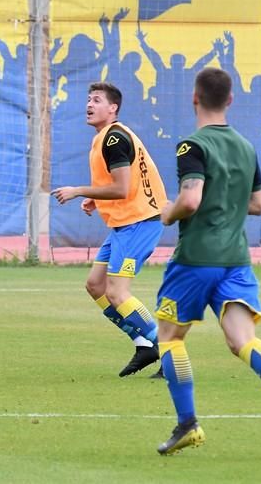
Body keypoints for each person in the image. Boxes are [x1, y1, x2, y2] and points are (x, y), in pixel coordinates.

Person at [154, 67, 261, 458]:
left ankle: (188, 423)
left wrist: (168, 214)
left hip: (195, 259)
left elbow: (190, 199)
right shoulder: (245, 146)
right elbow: (258, 204)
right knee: (243, 340)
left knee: (169, 338)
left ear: (194, 97)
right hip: (236, 260)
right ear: (230, 100)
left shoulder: (192, 147)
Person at [51, 82, 167, 378]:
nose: (89, 105)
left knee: (117, 292)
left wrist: (78, 190)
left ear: (112, 108)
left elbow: (121, 187)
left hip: (139, 223)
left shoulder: (114, 138)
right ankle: (144, 343)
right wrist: (95, 196)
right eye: (88, 99)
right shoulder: (108, 137)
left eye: (97, 100)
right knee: (95, 286)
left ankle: (167, 351)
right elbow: (123, 185)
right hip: (123, 224)